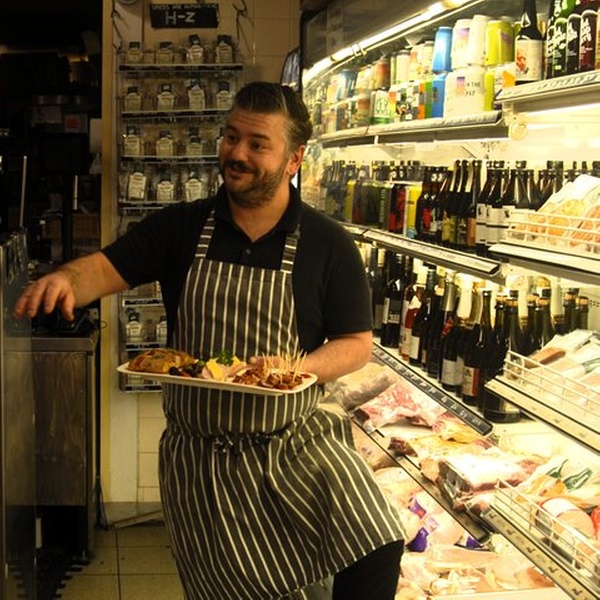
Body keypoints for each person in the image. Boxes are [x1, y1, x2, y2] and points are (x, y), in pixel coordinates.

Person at [14, 82, 405, 599]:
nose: (236, 153)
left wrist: (296, 370)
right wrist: (66, 279)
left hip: (295, 443)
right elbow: (103, 270)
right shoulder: (181, 226)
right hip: (205, 458)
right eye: (231, 137)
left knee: (377, 542)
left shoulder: (328, 243)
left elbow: (356, 343)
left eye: (257, 144)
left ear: (294, 159)